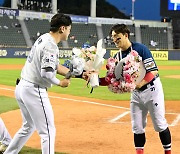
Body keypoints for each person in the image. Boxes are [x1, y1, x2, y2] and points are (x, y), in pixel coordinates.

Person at [98, 24, 171, 154]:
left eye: (117, 37)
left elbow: (153, 71)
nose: (114, 40)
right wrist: (94, 80)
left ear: (126, 35)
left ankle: (168, 152)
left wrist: (139, 84)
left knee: (160, 125)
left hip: (152, 90)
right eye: (113, 37)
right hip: (136, 94)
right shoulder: (117, 57)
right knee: (137, 127)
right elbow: (111, 79)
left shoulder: (140, 49)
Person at [4, 13, 72, 154]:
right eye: (69, 29)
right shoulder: (51, 45)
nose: (69, 32)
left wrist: (76, 73)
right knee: (48, 131)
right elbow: (46, 73)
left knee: (28, 126)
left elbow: (55, 66)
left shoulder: (44, 38)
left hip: (22, 87)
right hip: (34, 90)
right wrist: (60, 83)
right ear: (62, 28)